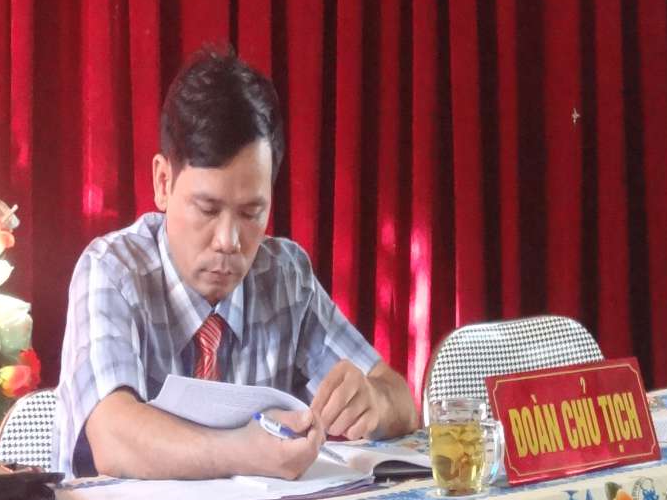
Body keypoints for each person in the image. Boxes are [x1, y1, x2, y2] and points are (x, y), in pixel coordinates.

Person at [54, 47, 418, 478]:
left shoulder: (284, 276)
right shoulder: (114, 271)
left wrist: (374, 403)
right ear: (163, 182)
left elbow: (401, 400)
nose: (228, 241)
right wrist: (243, 452)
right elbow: (112, 439)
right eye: (207, 209)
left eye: (250, 213)